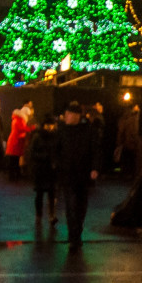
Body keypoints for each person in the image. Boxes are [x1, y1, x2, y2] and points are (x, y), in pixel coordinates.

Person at [53, 101, 101, 250]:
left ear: (75, 116)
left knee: (79, 205)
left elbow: (96, 150)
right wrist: (57, 164)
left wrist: (95, 168)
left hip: (82, 174)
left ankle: (76, 233)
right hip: (68, 174)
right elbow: (55, 150)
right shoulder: (63, 131)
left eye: (68, 114)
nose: (65, 117)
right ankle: (74, 235)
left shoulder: (88, 130)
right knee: (71, 205)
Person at [29, 115, 58, 223]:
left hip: (49, 169)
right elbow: (32, 153)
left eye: (51, 125)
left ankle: (50, 215)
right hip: (41, 169)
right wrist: (45, 156)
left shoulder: (53, 136)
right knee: (40, 194)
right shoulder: (38, 136)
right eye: (48, 125)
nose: (50, 127)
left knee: (51, 193)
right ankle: (40, 214)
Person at [5, 102, 36, 181]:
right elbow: (23, 128)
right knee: (14, 160)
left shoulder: (16, 118)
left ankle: (13, 175)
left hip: (15, 141)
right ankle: (13, 176)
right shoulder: (19, 119)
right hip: (16, 142)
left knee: (14, 160)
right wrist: (33, 128)